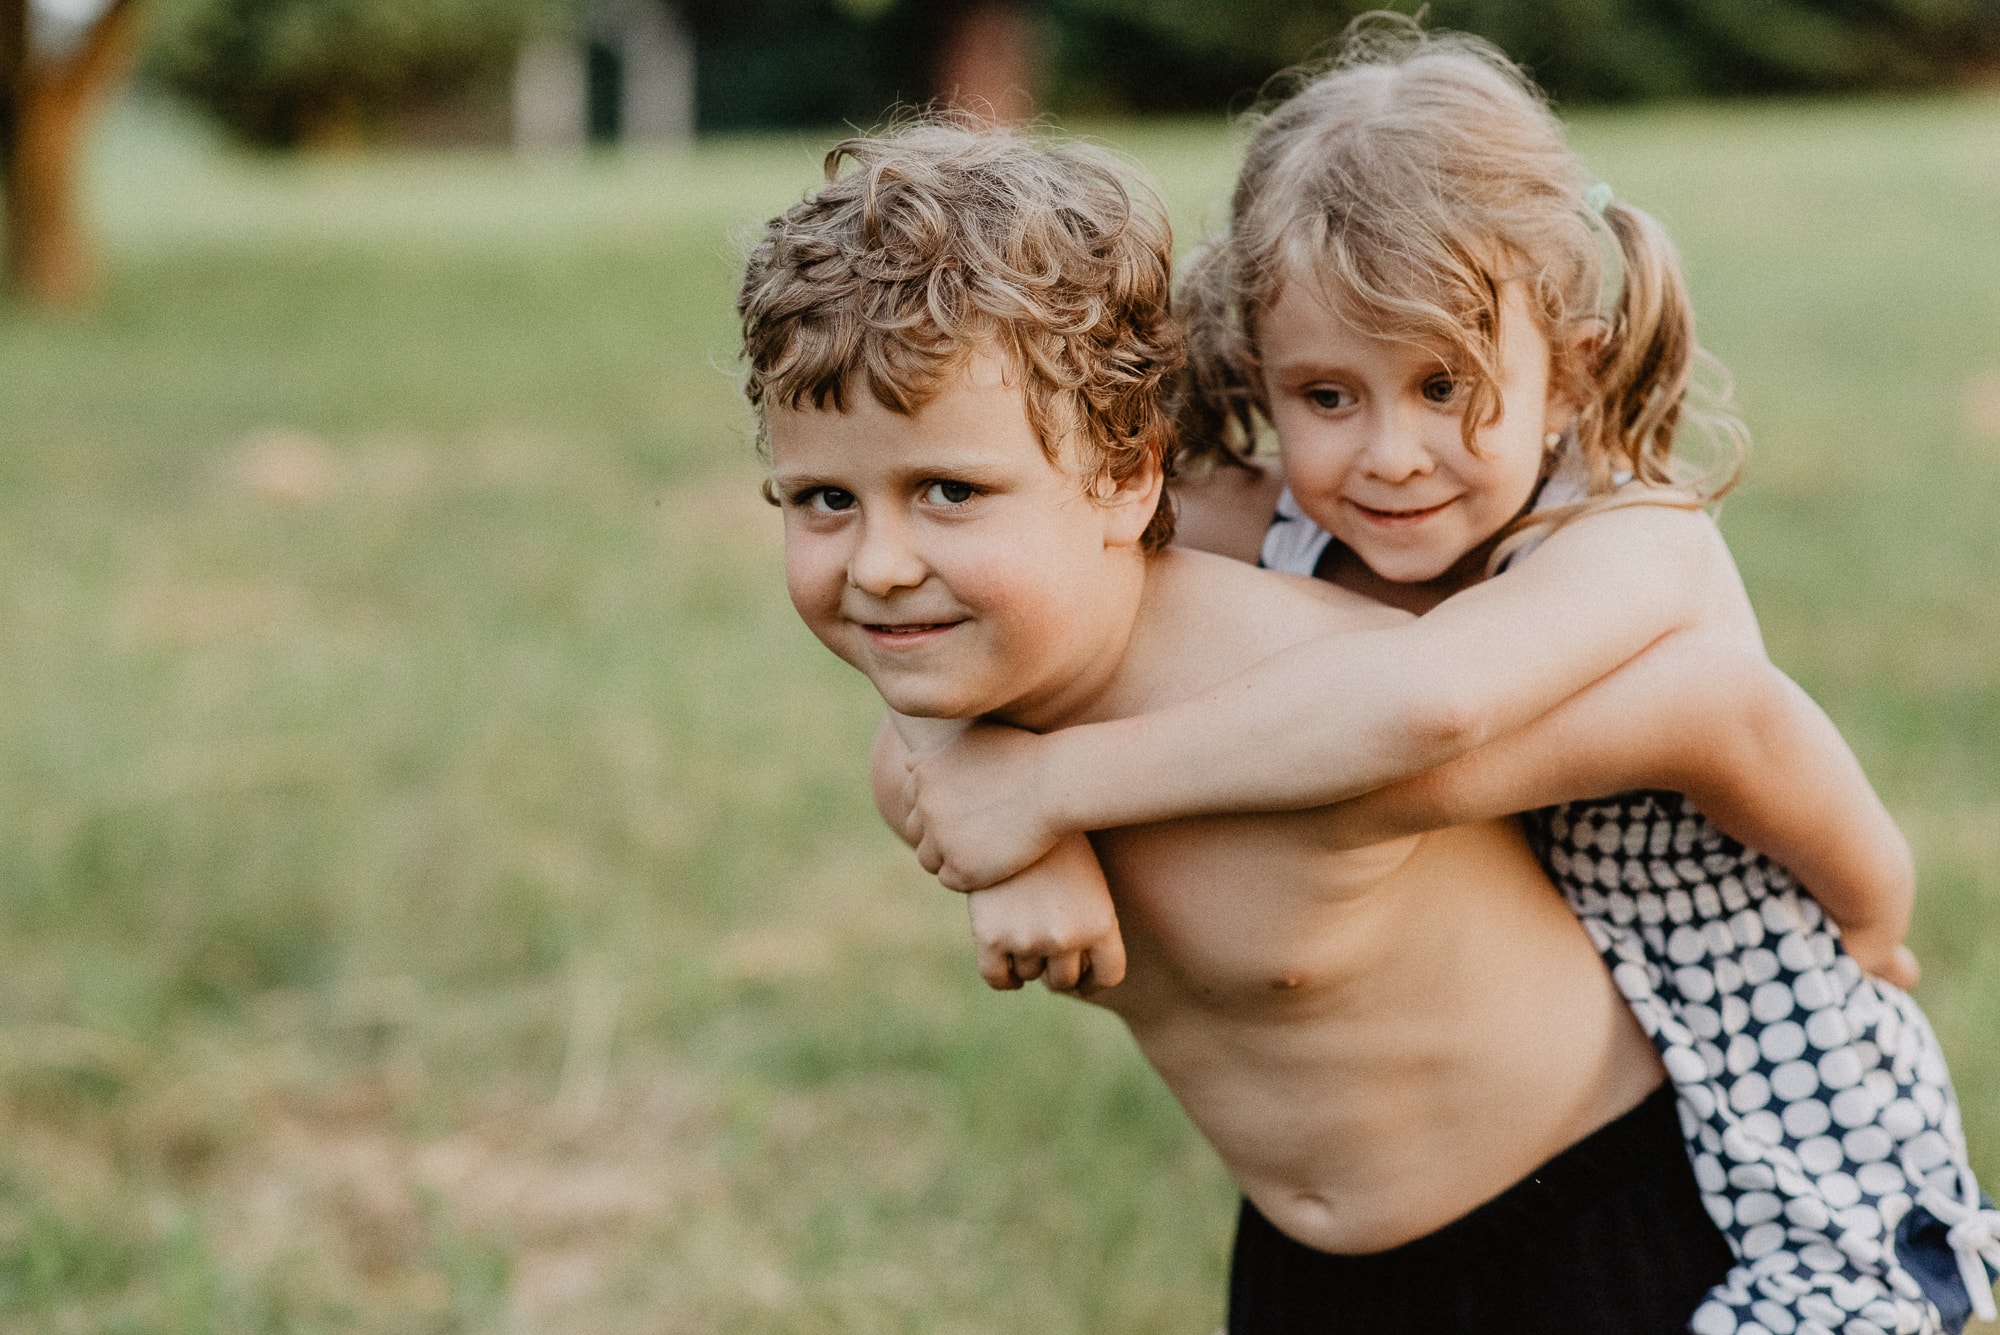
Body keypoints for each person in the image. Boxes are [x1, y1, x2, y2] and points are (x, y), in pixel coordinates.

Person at [737, 118, 1950, 1334]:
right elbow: (938, 642)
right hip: (1303, 1269)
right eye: (824, 499)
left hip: (1589, 1232)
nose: (880, 565)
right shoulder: (963, 738)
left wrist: (1868, 917)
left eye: (947, 491)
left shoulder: (1325, 708)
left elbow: (1707, 709)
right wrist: (1002, 824)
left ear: (1126, 478)